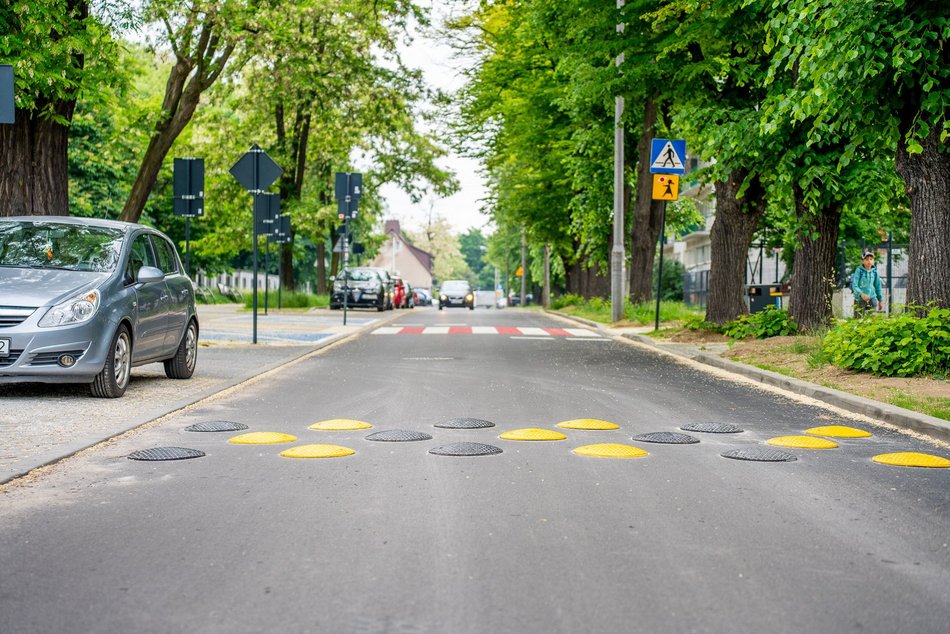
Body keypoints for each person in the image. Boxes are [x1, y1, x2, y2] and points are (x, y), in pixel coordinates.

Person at [852, 249, 883, 317]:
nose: (869, 261)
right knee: (858, 321)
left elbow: (878, 287)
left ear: (873, 261)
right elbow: (855, 285)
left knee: (872, 321)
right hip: (860, 299)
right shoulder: (859, 271)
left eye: (871, 259)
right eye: (866, 259)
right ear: (862, 261)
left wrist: (880, 300)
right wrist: (861, 294)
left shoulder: (874, 272)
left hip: (872, 298)